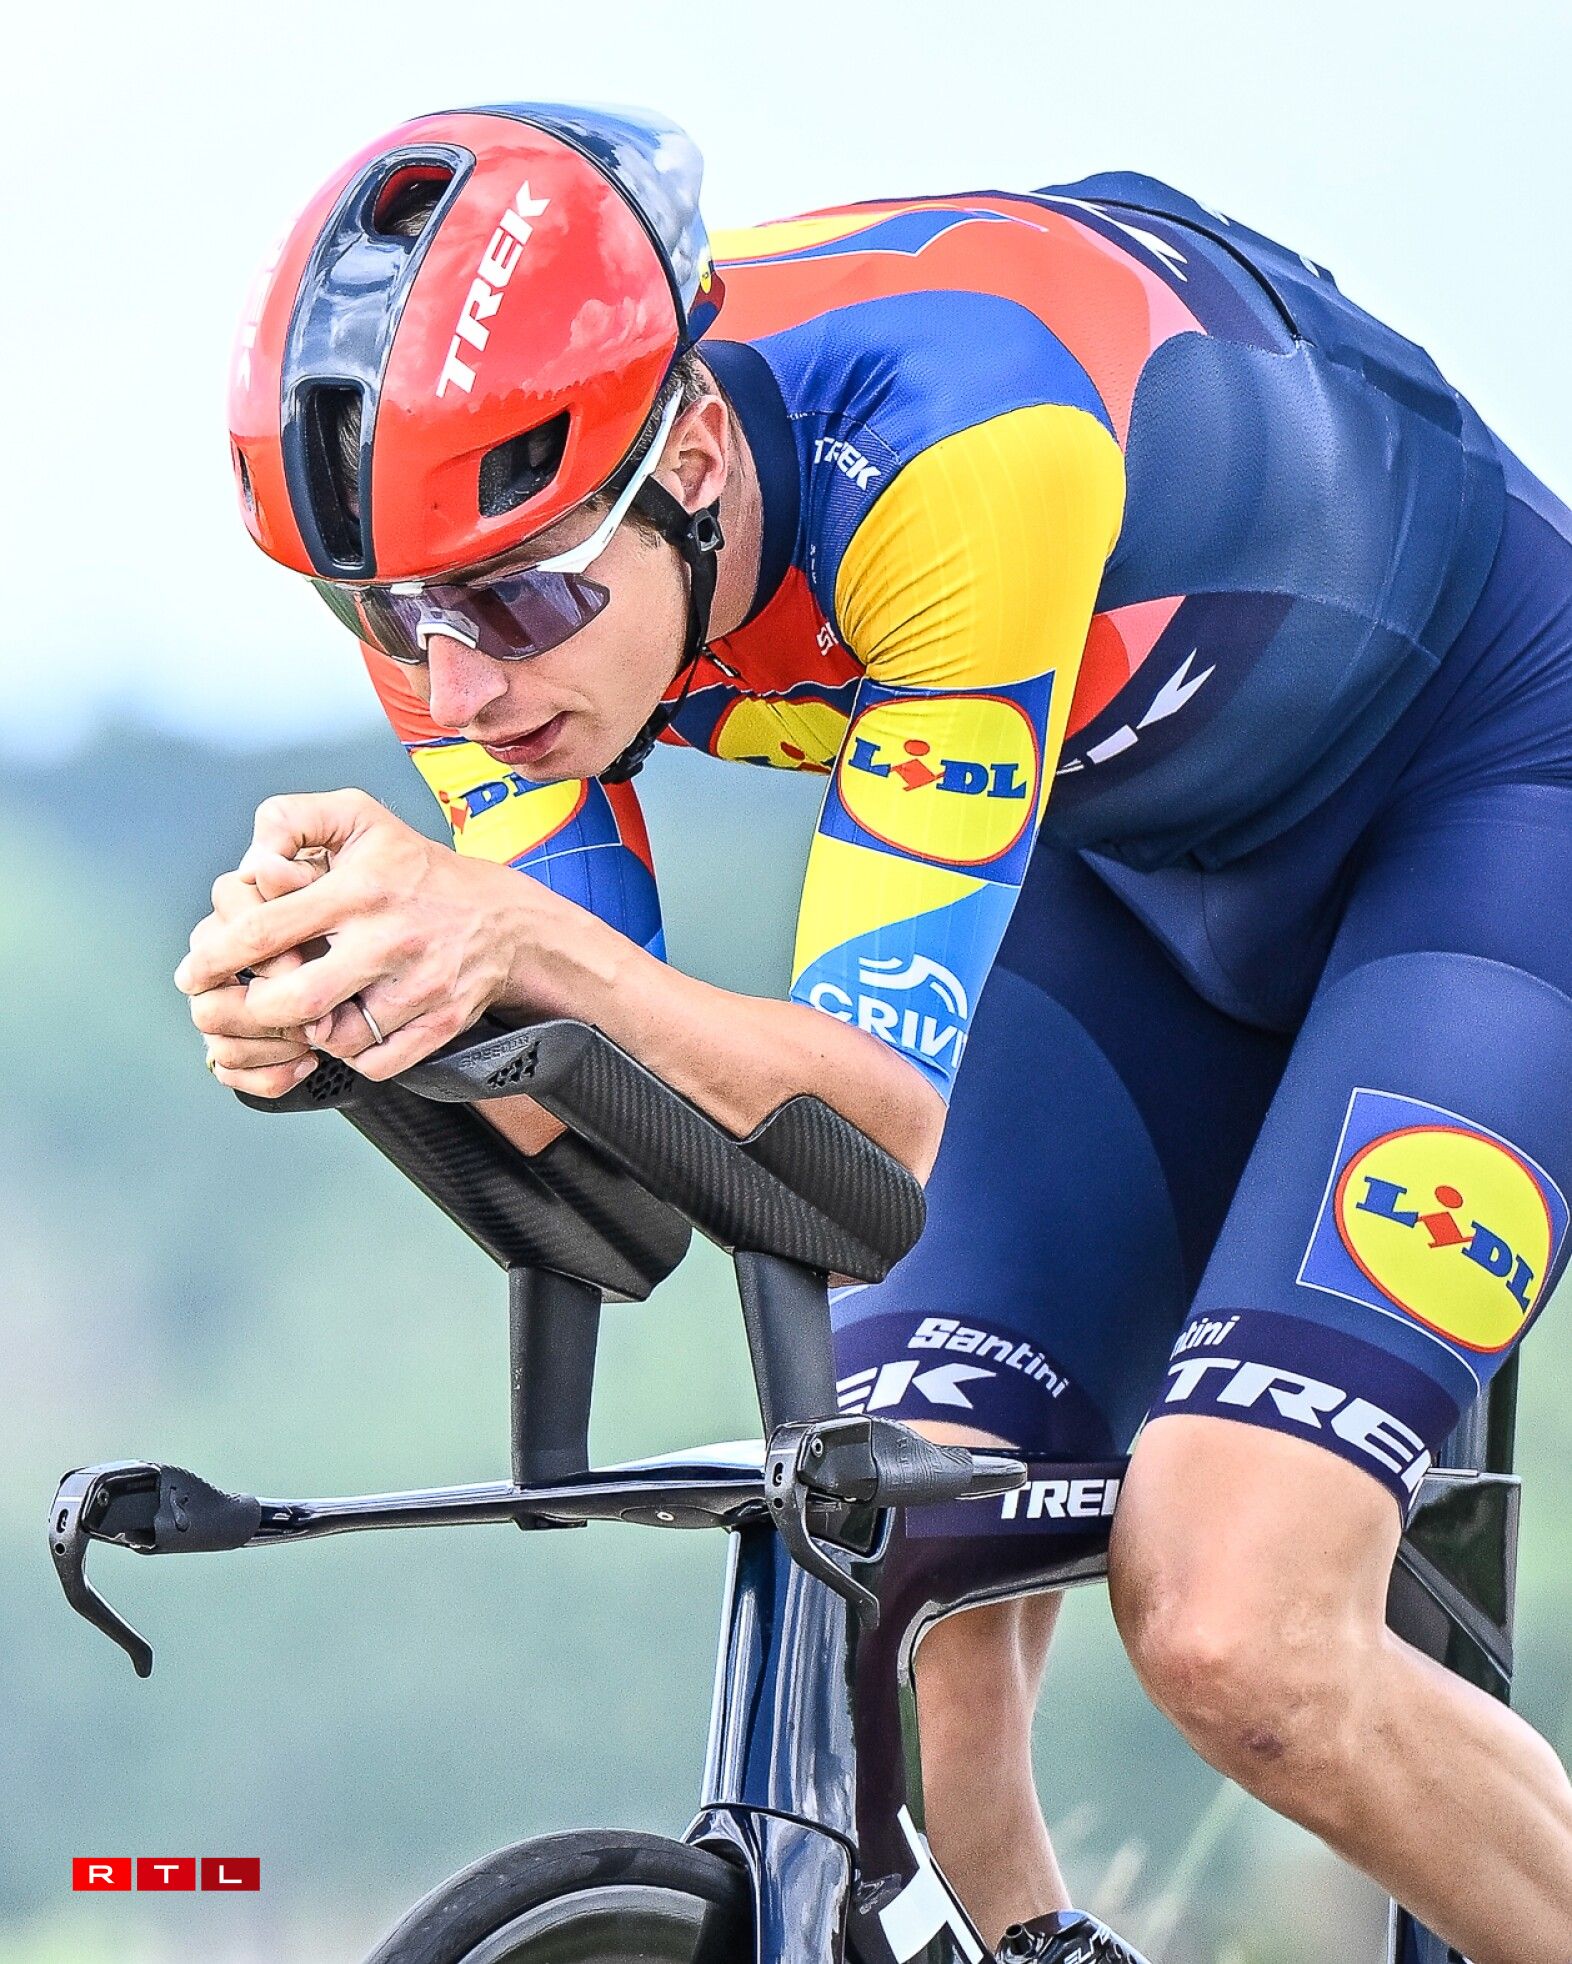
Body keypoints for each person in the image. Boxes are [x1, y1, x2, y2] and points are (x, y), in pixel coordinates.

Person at [178, 102, 1572, 1963]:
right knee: (889, 1569)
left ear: (688, 458)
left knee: (1238, 1625)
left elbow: (873, 1135)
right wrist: (362, 1019)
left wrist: (513, 937)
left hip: (1489, 801)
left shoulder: (960, 451)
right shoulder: (470, 577)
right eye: (387, 614)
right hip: (1128, 864)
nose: (459, 684)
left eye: (519, 598)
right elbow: (624, 1150)